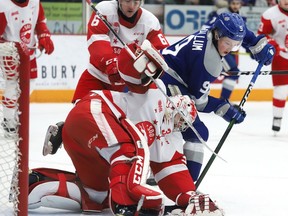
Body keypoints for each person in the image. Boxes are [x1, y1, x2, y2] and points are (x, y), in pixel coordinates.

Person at [28, 44, 224, 215]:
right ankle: (125, 206)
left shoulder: (170, 138)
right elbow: (136, 78)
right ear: (174, 103)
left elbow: (171, 170)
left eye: (184, 124)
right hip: (91, 112)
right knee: (130, 150)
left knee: (97, 196)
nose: (180, 124)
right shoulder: (156, 94)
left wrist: (188, 197)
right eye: (181, 118)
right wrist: (139, 62)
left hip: (90, 142)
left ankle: (32, 183)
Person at [43, 0, 169, 156]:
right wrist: (110, 63)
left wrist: (145, 68)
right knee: (81, 116)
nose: (131, 6)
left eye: (136, 1)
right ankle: (63, 131)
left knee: (127, 126)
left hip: (126, 85)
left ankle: (139, 158)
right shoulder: (105, 10)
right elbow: (96, 40)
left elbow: (161, 53)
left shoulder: (150, 22)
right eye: (128, 1)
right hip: (97, 76)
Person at [159, 12, 275, 182]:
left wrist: (259, 46)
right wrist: (225, 108)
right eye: (227, 43)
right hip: (164, 83)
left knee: (169, 130)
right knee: (197, 132)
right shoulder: (208, 61)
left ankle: (164, 171)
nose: (229, 49)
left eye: (235, 45)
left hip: (160, 73)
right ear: (217, 34)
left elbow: (245, 35)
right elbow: (199, 103)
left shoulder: (213, 31)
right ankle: (188, 188)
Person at [0, 0, 54, 135]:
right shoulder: (4, 5)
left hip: (29, 51)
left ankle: (15, 113)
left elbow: (40, 21)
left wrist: (44, 35)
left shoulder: (35, 2)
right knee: (12, 84)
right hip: (10, 51)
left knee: (31, 83)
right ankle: (8, 120)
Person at [257, 0, 288, 134]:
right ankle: (277, 117)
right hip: (281, 56)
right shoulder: (270, 14)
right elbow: (262, 35)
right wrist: (275, 46)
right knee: (281, 90)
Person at [205, 0, 245, 100]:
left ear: (241, 5)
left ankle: (224, 100)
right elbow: (207, 28)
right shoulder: (220, 14)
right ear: (229, 4)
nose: (235, 6)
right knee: (233, 72)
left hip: (228, 49)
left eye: (237, 4)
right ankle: (223, 100)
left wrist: (252, 49)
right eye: (233, 3)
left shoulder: (241, 16)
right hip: (216, 48)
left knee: (233, 73)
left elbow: (241, 37)